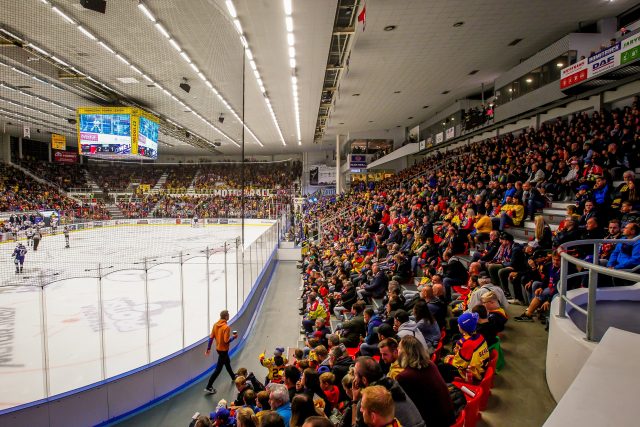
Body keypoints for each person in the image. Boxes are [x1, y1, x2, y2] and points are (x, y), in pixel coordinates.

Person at [395, 336, 455, 427]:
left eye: (399, 348)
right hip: (449, 417)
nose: (397, 350)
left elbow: (406, 407)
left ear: (405, 353)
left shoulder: (404, 377)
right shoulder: (430, 364)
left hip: (434, 422)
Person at [353, 356, 425, 427]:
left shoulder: (366, 402)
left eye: (355, 374)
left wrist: (355, 401)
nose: (354, 378)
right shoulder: (393, 383)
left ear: (364, 380)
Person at [439, 312, 489, 382]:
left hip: (473, 374)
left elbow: (460, 365)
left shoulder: (466, 344)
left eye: (459, 325)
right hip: (480, 367)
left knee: (442, 367)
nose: (457, 325)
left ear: (463, 329)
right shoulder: (480, 336)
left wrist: (448, 359)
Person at [205, 310, 239, 394]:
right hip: (223, 350)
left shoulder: (215, 325)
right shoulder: (226, 327)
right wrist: (234, 337)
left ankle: (233, 376)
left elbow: (211, 338)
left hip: (218, 349)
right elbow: (226, 341)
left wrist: (208, 348)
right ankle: (208, 386)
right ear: (226, 317)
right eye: (228, 315)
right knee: (218, 369)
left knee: (227, 362)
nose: (229, 316)